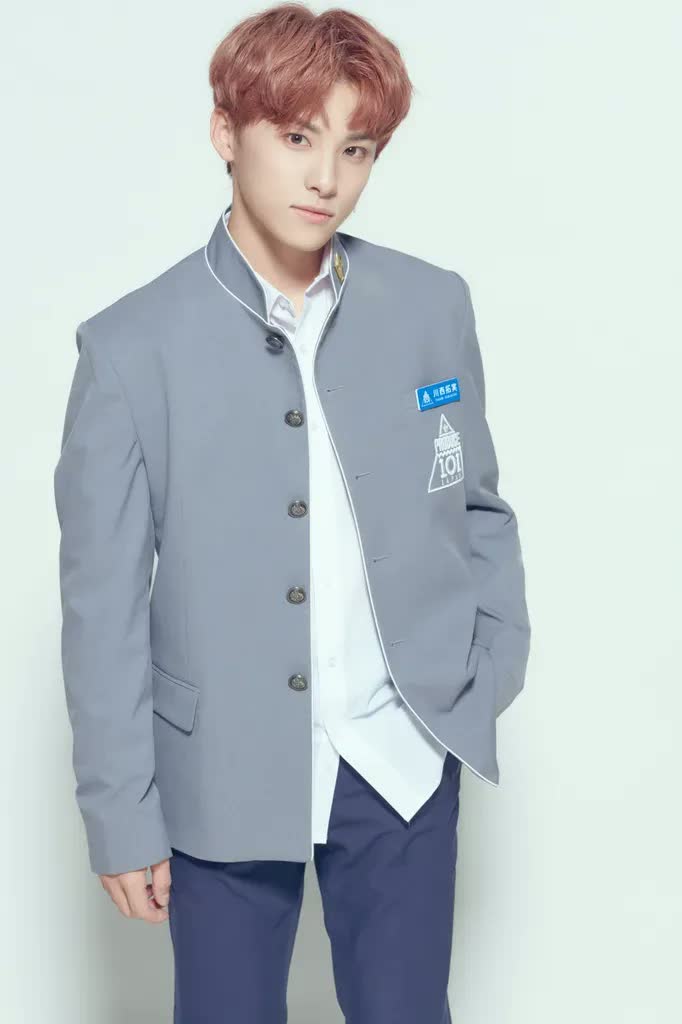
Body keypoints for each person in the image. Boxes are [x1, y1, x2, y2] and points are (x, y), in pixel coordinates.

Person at [53, 4, 531, 1021]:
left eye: (355, 149)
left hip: (400, 759)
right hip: (219, 772)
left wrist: (484, 672)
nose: (327, 178)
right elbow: (102, 609)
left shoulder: (431, 305)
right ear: (226, 133)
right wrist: (120, 812)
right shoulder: (130, 348)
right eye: (299, 137)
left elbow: (476, 505)